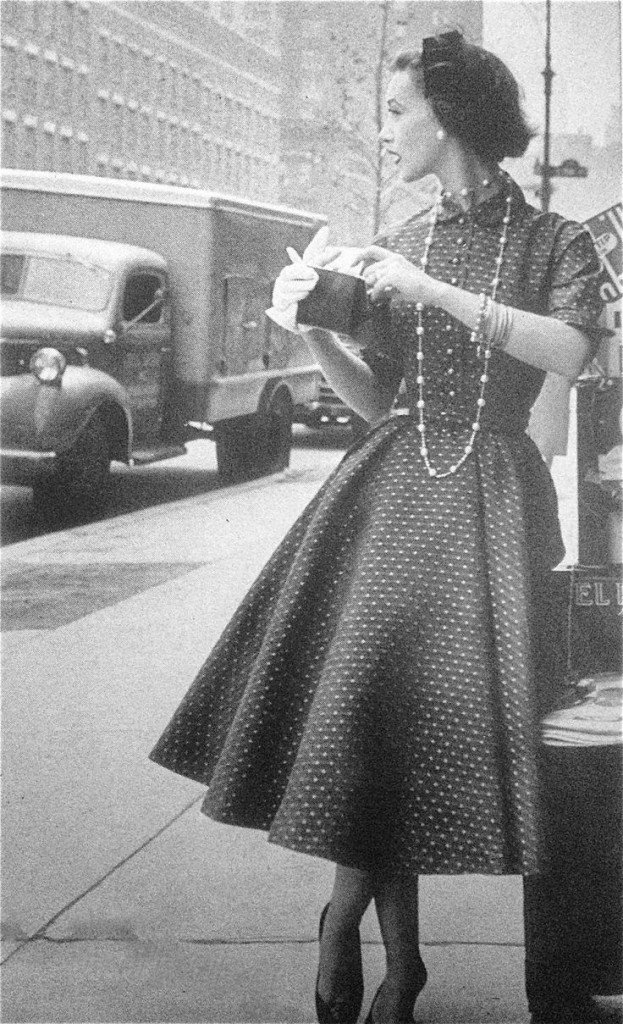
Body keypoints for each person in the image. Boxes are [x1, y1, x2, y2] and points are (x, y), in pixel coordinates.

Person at [150, 31, 610, 1024]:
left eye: (398, 110)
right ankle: (391, 958)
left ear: (445, 114)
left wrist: (432, 294)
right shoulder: (400, 238)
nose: (388, 129)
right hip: (390, 493)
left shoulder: (553, 242)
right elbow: (374, 403)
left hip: (490, 502)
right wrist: (311, 327)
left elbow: (567, 353)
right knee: (374, 717)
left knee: (409, 727)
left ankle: (352, 923)